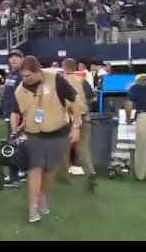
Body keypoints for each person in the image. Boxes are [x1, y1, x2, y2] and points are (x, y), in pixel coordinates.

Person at [10, 56, 82, 223]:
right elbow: (15, 112)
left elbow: (74, 99)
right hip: (34, 135)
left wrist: (76, 126)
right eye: (22, 75)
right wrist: (15, 131)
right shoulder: (20, 90)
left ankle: (42, 194)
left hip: (58, 134)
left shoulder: (56, 80)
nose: (24, 79)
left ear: (38, 72)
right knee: (35, 170)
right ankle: (32, 208)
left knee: (48, 172)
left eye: (27, 75)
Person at [60, 59, 97, 193]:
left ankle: (63, 175)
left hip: (66, 117)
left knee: (63, 146)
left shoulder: (60, 80)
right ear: (75, 67)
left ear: (63, 67)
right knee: (83, 148)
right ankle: (91, 172)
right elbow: (93, 98)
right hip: (83, 115)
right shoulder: (82, 80)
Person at [0, 49, 25, 188]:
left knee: (12, 145)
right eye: (11, 58)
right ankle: (21, 172)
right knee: (18, 145)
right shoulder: (11, 74)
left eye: (16, 57)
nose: (13, 60)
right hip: (10, 113)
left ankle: (14, 177)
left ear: (22, 59)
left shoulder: (23, 75)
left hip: (17, 115)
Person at [125, 74, 146, 181]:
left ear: (137, 80)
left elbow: (129, 104)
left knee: (141, 148)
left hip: (144, 117)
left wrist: (128, 118)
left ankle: (141, 175)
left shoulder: (135, 87)